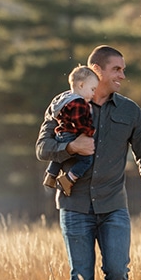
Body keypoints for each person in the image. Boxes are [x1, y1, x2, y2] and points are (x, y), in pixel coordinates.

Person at [36, 45, 141, 280]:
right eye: (116, 69)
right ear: (96, 70)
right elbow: (42, 148)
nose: (123, 74)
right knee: (81, 277)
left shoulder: (130, 111)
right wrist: (71, 148)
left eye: (123, 69)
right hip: (74, 205)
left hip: (113, 207)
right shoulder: (63, 105)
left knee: (118, 273)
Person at [42, 65, 100, 196]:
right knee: (86, 160)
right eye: (92, 89)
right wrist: (90, 131)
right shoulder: (79, 103)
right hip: (71, 135)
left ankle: (51, 175)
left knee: (59, 157)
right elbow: (79, 122)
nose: (93, 93)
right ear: (81, 85)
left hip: (61, 134)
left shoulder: (64, 100)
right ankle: (68, 179)